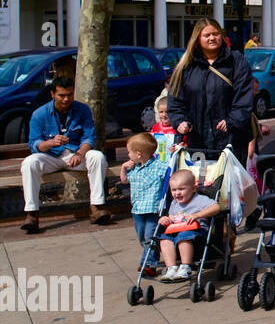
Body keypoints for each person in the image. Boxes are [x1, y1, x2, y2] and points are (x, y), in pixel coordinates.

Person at [21, 76, 112, 233]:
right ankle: (32, 213)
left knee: (97, 157)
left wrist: (80, 153)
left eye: (69, 94)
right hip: (50, 156)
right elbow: (34, 144)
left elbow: (89, 137)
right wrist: (51, 142)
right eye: (61, 95)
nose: (66, 99)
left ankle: (97, 206)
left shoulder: (82, 110)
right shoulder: (39, 114)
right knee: (29, 162)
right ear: (52, 94)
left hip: (75, 154)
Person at [167, 17, 255, 157]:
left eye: (216, 34)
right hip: (197, 141)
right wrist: (180, 122)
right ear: (197, 39)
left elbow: (244, 97)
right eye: (206, 35)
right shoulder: (186, 66)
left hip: (231, 140)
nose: (212, 38)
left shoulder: (236, 61)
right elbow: (175, 101)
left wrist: (232, 121)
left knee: (228, 179)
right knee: (201, 178)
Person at [156, 168, 220, 282]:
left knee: (184, 237)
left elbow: (216, 207)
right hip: (176, 231)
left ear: (193, 189)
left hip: (197, 232)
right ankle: (171, 268)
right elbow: (171, 216)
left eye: (181, 189)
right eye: (174, 190)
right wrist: (166, 219)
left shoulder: (199, 200)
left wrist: (198, 215)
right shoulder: (175, 203)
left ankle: (186, 267)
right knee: (164, 240)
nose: (177, 193)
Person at [120, 133, 168, 276]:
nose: (128, 155)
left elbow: (170, 174)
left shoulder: (159, 167)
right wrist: (123, 168)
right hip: (137, 209)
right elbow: (124, 180)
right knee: (142, 237)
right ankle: (155, 251)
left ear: (138, 154)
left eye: (129, 152)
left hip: (153, 210)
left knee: (149, 237)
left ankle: (148, 264)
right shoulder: (133, 168)